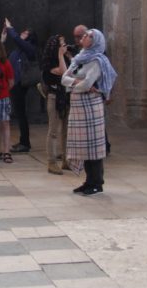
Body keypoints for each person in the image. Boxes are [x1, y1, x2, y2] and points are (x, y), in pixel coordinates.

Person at [63, 28, 117, 195]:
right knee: (83, 146)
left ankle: (96, 182)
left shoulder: (97, 60)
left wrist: (75, 84)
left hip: (91, 107)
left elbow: (88, 84)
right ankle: (88, 181)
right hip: (78, 106)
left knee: (93, 146)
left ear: (95, 41)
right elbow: (64, 78)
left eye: (88, 36)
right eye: (85, 34)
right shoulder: (79, 57)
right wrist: (76, 82)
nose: (84, 37)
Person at [3, 18, 37, 153]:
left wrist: (10, 27)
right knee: (18, 113)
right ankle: (23, 141)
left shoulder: (29, 48)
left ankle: (25, 143)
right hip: (13, 84)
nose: (22, 34)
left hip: (20, 84)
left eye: (25, 33)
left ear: (30, 37)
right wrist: (3, 39)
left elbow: (17, 39)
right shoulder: (18, 50)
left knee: (21, 113)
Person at [42, 33, 71, 174]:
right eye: (61, 44)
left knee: (67, 130)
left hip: (65, 97)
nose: (64, 46)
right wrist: (60, 55)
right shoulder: (49, 63)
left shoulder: (65, 58)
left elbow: (73, 72)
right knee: (53, 131)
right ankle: (51, 162)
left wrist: (69, 56)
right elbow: (64, 73)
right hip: (54, 97)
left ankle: (66, 160)